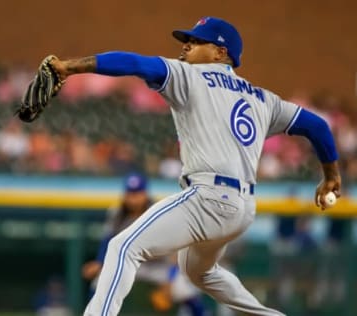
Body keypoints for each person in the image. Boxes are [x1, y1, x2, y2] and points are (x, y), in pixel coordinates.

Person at [48, 16, 342, 316]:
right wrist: (330, 175)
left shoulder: (190, 76)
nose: (186, 46)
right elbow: (317, 126)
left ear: (220, 53)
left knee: (123, 247)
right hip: (242, 209)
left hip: (208, 197)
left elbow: (134, 63)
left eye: (197, 41)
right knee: (199, 272)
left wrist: (69, 67)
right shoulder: (263, 99)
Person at [82, 172, 208, 315]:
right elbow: (107, 241)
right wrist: (100, 263)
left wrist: (170, 281)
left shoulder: (159, 213)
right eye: (130, 194)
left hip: (158, 266)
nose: (133, 199)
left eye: (137, 194)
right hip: (129, 263)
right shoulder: (117, 213)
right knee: (99, 282)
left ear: (145, 193)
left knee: (184, 289)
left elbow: (177, 253)